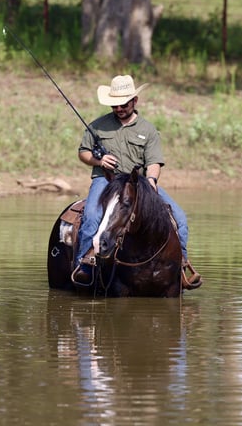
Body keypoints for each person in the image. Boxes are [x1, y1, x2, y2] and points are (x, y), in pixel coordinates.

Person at [72, 74, 201, 289]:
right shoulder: (97, 126)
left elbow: (154, 162)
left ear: (134, 101)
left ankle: (180, 267)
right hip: (107, 182)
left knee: (179, 218)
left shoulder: (148, 130)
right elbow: (83, 153)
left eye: (123, 104)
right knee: (92, 216)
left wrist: (151, 180)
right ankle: (86, 264)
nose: (119, 108)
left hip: (139, 183)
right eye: (115, 105)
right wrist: (99, 160)